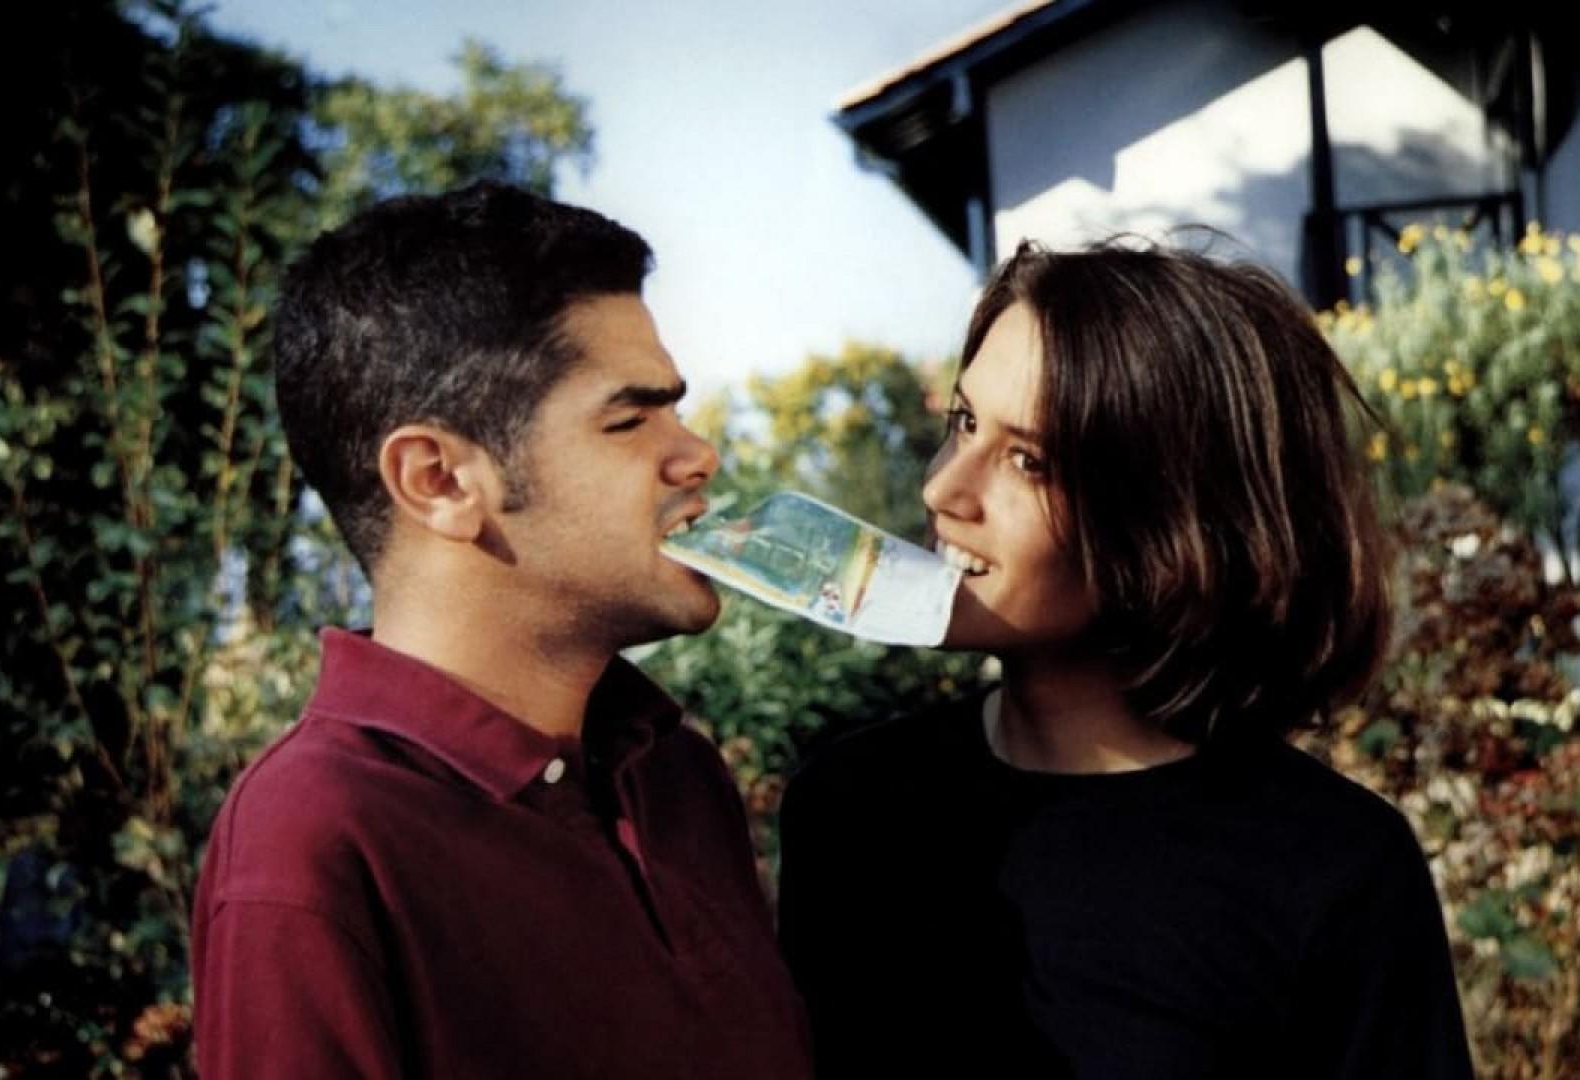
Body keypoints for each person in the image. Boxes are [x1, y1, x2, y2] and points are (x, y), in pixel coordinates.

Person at [779, 239, 1473, 1078]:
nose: (943, 491)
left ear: (1172, 518)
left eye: (1027, 461)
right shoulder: (851, 808)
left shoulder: (1332, 873)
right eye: (963, 423)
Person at [191, 183, 812, 1079]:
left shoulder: (676, 775)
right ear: (438, 479)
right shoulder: (313, 844)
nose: (698, 454)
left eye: (676, 408)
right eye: (631, 419)